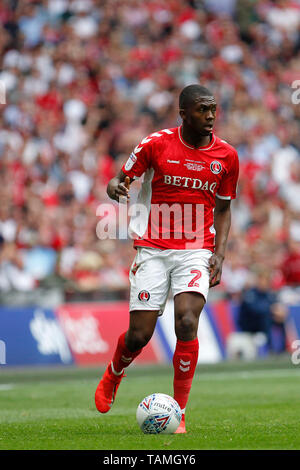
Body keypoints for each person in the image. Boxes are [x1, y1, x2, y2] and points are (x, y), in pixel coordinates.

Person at [95, 84, 239, 433]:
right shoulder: (155, 144)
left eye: (214, 109)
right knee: (139, 336)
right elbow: (119, 181)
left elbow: (223, 208)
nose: (210, 116)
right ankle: (115, 372)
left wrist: (219, 253)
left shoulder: (227, 157)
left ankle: (180, 412)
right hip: (153, 248)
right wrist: (116, 187)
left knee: (187, 322)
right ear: (183, 112)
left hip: (196, 249)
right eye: (203, 109)